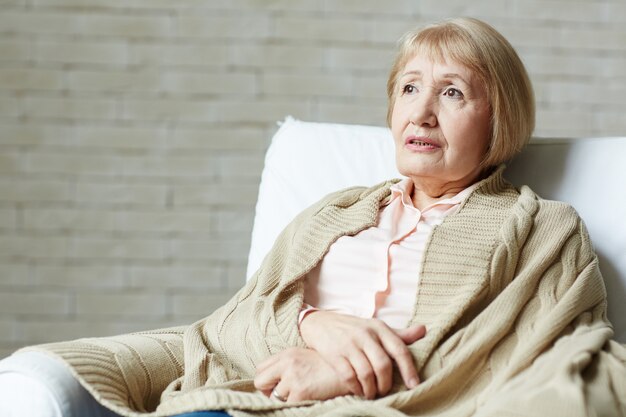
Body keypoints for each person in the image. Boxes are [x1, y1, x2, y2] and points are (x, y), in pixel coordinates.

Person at [2, 17, 625, 417]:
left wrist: (341, 375)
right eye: (408, 88)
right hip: (253, 397)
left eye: (453, 92)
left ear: (500, 119)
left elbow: (538, 348)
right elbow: (238, 318)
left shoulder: (544, 225)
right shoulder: (335, 211)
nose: (422, 112)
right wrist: (313, 323)